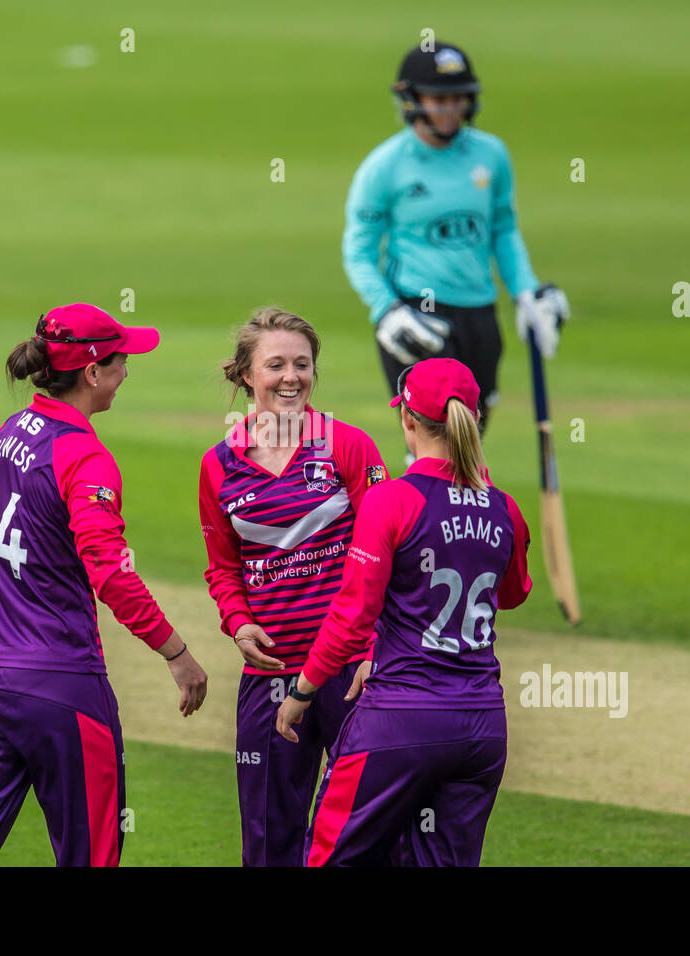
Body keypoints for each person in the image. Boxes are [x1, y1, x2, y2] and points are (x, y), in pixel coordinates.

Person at [0, 303, 208, 868]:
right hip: (59, 687)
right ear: (92, 373)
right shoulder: (85, 457)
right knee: (91, 856)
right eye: (120, 362)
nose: (126, 372)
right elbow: (110, 572)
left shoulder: (8, 433)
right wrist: (177, 653)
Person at [276, 358, 531, 867]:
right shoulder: (504, 507)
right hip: (481, 728)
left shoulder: (392, 500)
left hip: (400, 721)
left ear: (408, 420)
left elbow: (352, 616)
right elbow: (512, 593)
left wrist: (302, 691)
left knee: (330, 857)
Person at [198, 306, 389, 867]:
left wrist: (378, 649)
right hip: (271, 675)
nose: (291, 377)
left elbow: (391, 559)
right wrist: (237, 621)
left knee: (365, 835)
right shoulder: (219, 466)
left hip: (351, 672)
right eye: (275, 365)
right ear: (246, 376)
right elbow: (222, 568)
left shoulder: (349, 447)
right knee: (267, 839)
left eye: (302, 365)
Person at [342, 40, 571, 448]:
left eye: (458, 98)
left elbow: (502, 229)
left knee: (471, 444)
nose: (450, 109)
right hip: (418, 318)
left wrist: (526, 292)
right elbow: (358, 252)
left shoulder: (491, 155)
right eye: (439, 98)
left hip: (480, 313)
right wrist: (387, 311)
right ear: (412, 100)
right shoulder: (384, 167)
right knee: (433, 452)